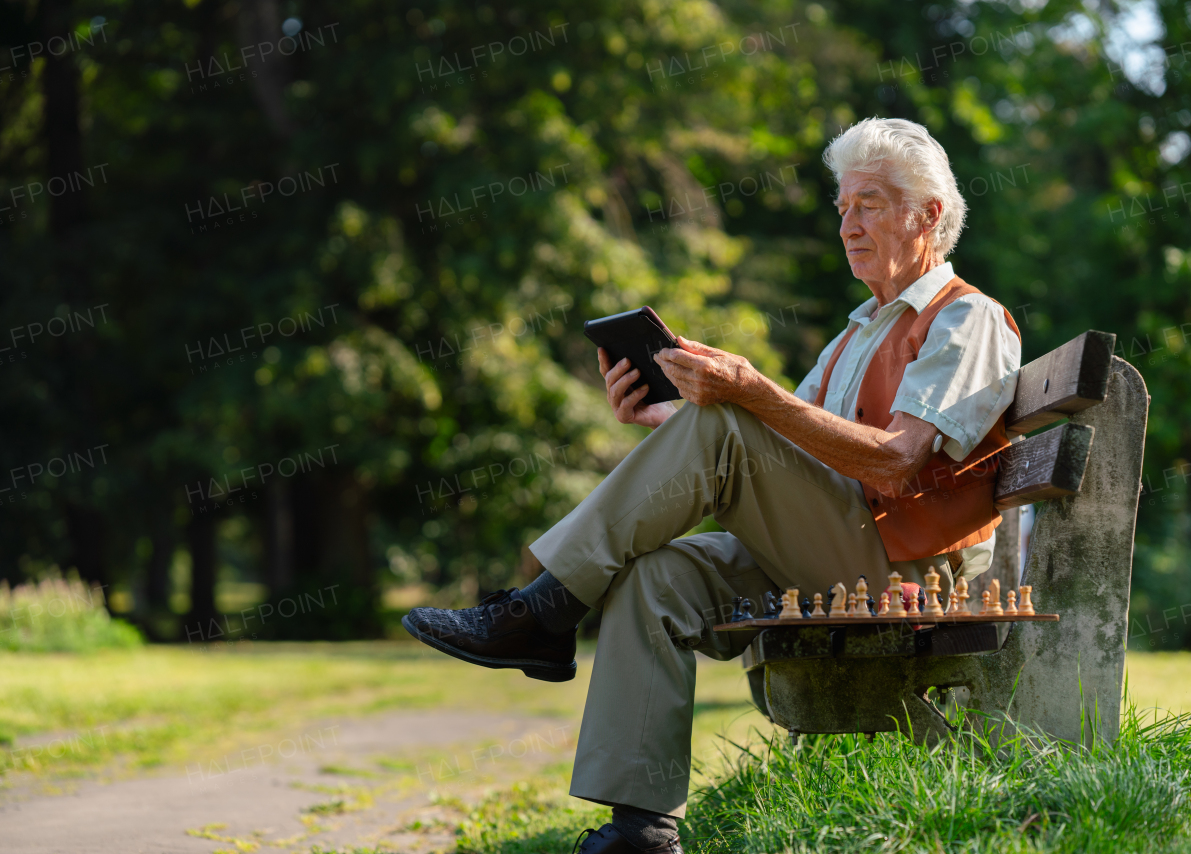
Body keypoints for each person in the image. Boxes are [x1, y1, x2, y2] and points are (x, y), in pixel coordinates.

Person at [401, 117, 1021, 854]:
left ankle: (545, 610)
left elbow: (895, 461)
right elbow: (774, 456)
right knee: (659, 576)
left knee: (730, 413)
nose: (850, 225)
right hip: (839, 550)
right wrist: (667, 414)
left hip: (905, 575)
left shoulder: (969, 319)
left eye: (873, 204)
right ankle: (641, 829)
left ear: (931, 216)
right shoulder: (855, 333)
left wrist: (748, 391)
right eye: (844, 207)